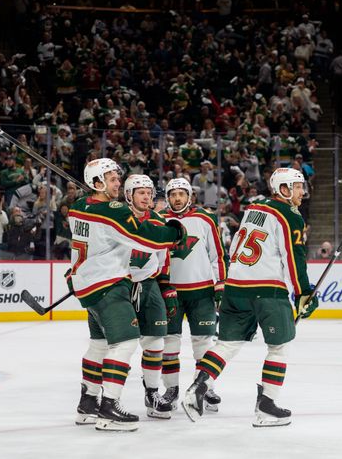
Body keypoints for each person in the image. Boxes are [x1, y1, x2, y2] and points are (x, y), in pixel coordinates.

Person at [182, 167, 317, 428]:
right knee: (279, 346)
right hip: (266, 290)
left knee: (226, 344)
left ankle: (198, 388)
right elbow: (294, 257)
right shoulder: (290, 214)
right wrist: (303, 293)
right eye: (298, 187)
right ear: (284, 190)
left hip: (235, 286)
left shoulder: (254, 208)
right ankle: (266, 405)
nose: (303, 192)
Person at [72, 158, 184, 432]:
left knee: (99, 344)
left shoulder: (77, 207)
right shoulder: (114, 211)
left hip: (87, 284)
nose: (117, 182)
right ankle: (109, 407)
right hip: (108, 285)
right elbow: (145, 238)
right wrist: (174, 233)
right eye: (111, 179)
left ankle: (87, 404)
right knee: (125, 343)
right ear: (97, 183)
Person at [159, 177, 227, 412]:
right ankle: (171, 390)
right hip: (171, 293)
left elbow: (217, 255)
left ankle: (204, 386)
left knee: (203, 344)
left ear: (190, 196)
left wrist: (221, 285)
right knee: (169, 344)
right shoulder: (160, 221)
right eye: (173, 194)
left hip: (202, 292)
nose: (177, 198)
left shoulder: (205, 219)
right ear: (167, 198)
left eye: (181, 194)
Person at [122, 174, 173, 419]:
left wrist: (165, 288)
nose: (146, 197)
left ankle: (152, 393)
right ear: (128, 195)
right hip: (118, 285)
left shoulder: (159, 221)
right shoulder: (117, 219)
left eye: (149, 193)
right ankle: (105, 396)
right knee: (116, 345)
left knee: (155, 342)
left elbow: (163, 260)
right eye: (140, 192)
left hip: (149, 284)